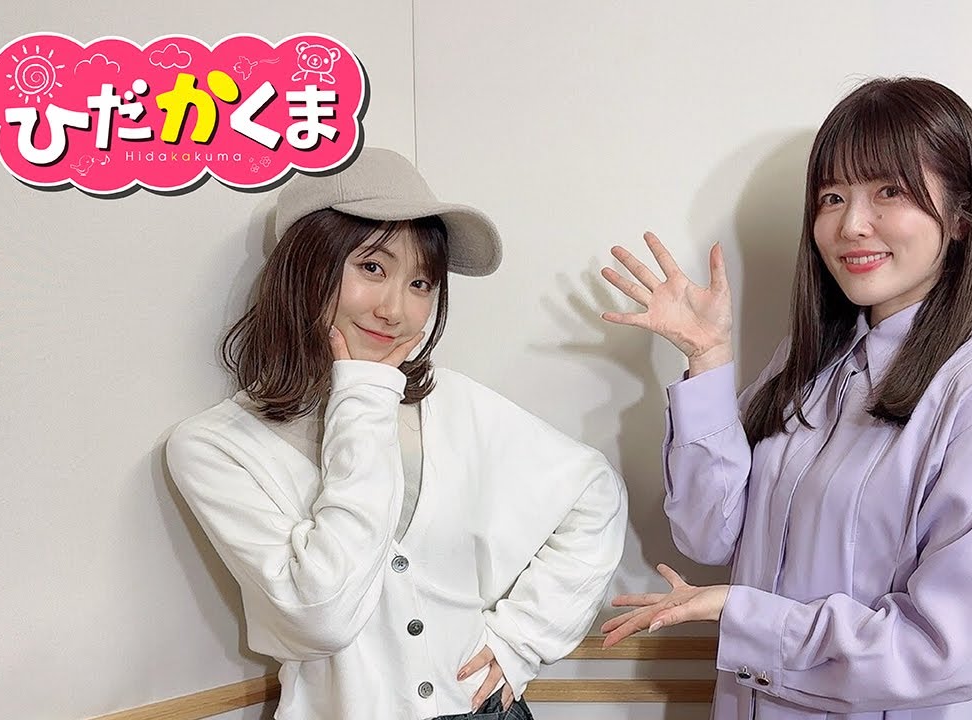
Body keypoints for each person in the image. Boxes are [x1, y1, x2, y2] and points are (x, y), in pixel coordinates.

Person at [597, 77, 972, 720]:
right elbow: (707, 534)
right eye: (833, 197)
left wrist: (745, 615)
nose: (851, 225)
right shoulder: (809, 365)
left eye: (889, 191)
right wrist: (707, 359)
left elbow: (943, 652)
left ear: (960, 215)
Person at [166, 148, 628, 720]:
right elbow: (322, 618)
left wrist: (522, 640)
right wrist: (361, 397)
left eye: (420, 283)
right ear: (305, 266)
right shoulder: (215, 447)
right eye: (372, 268)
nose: (396, 310)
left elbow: (595, 491)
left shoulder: (451, 403)